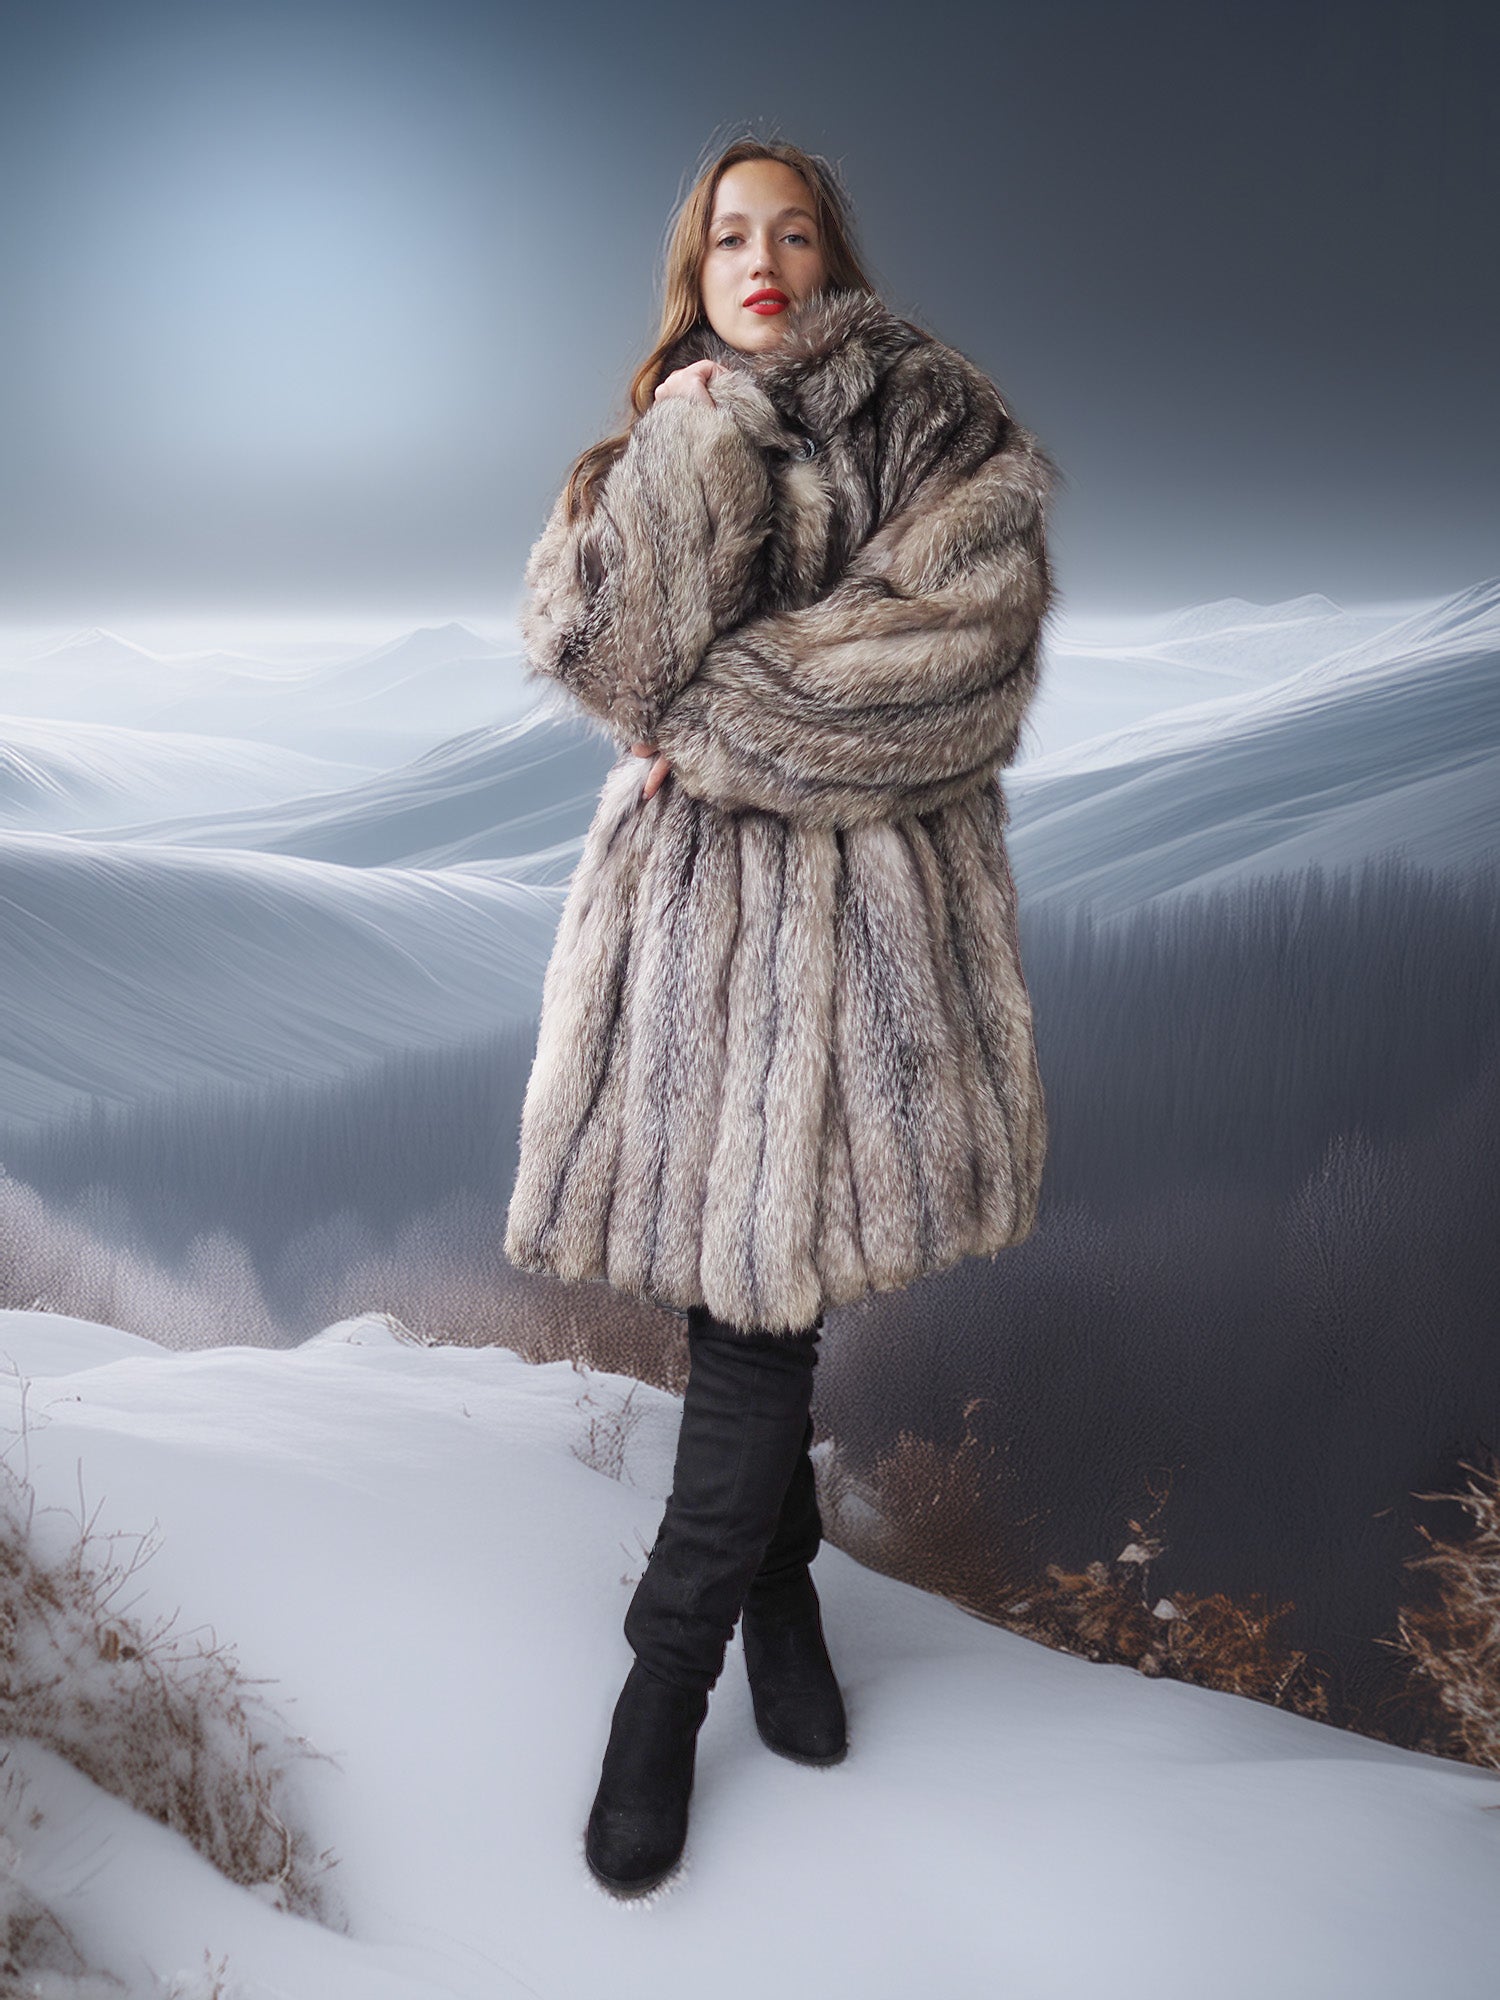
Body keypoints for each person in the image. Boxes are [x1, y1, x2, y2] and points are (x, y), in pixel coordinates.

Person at [504, 136, 1059, 1897]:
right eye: (729, 234)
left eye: (791, 230)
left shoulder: (932, 413)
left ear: (833, 253)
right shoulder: (672, 423)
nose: (761, 256)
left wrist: (713, 719)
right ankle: (787, 1592)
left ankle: (660, 1692)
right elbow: (599, 653)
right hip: (680, 963)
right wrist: (694, 442)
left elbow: (950, 670)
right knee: (731, 1310)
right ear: (697, 261)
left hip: (849, 963)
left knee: (760, 1331)